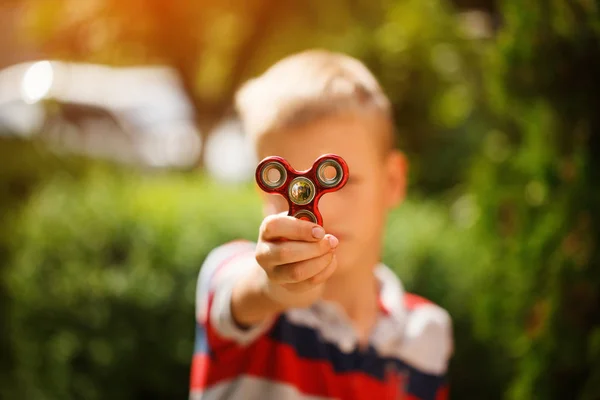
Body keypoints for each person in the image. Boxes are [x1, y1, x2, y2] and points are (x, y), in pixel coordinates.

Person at [189, 49, 453, 400]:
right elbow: (247, 291)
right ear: (264, 188)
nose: (318, 207)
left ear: (391, 182)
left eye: (339, 180)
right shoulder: (231, 275)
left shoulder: (427, 333)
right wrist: (278, 285)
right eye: (291, 187)